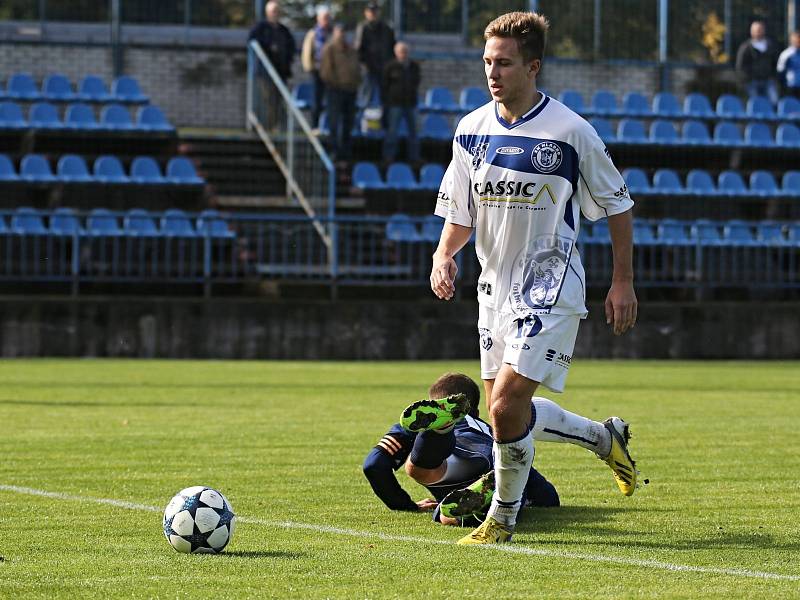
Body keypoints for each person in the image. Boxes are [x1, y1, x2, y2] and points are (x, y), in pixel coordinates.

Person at [429, 11, 638, 545]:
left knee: (503, 405)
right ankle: (601, 436)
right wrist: (444, 255)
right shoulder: (471, 130)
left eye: (503, 63)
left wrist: (621, 282)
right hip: (493, 287)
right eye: (487, 63)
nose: (492, 73)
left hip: (549, 282)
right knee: (505, 413)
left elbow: (617, 206)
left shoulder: (570, 132)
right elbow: (460, 209)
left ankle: (501, 517)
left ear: (533, 66)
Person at [363, 372, 639, 528]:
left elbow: (373, 465)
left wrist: (407, 506)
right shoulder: (487, 424)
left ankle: (441, 430)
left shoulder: (410, 424)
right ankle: (479, 497)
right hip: (494, 457)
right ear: (475, 408)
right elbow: (547, 498)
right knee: (507, 494)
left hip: (446, 466)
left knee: (421, 471)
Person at [319, 24, 361, 161]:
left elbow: (357, 69)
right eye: (339, 32)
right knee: (334, 122)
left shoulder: (352, 51)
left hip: (350, 91)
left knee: (348, 123)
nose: (341, 35)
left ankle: (346, 152)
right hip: (335, 91)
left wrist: (355, 83)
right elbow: (325, 71)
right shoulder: (329, 49)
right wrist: (336, 84)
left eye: (344, 32)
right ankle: (333, 150)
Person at [382, 41, 421, 164]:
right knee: (392, 132)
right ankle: (389, 156)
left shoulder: (414, 66)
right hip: (395, 104)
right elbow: (385, 85)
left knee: (414, 132)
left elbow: (416, 82)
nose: (403, 54)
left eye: (405, 51)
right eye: (401, 52)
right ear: (396, 53)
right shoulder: (390, 67)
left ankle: (414, 157)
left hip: (411, 103)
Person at [355, 2, 396, 109]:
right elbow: (359, 49)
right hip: (368, 69)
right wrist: (363, 65)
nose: (373, 14)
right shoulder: (363, 28)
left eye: (375, 11)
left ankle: (385, 125)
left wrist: (390, 65)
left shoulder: (387, 28)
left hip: (384, 68)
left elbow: (392, 48)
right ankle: (361, 124)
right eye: (370, 11)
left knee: (386, 100)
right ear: (366, 13)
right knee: (365, 98)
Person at [248, 1, 296, 83]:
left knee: (280, 94)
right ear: (268, 12)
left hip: (281, 70)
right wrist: (269, 46)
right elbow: (252, 40)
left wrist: (289, 58)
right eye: (274, 11)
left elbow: (291, 45)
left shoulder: (284, 30)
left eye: (277, 11)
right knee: (267, 95)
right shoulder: (261, 27)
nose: (276, 14)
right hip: (266, 70)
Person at [301, 6, 333, 127]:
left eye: (327, 18)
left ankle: (328, 126)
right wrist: (310, 68)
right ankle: (314, 126)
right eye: (324, 18)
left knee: (331, 101)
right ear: (318, 19)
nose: (326, 20)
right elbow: (307, 53)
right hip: (316, 71)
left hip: (330, 73)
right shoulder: (313, 34)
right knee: (317, 100)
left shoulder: (332, 34)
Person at [735, 20, 780, 105]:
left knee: (773, 102)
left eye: (760, 29)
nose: (758, 32)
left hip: (768, 81)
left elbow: (775, 63)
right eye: (756, 30)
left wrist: (773, 76)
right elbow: (740, 66)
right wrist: (746, 79)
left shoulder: (770, 46)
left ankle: (772, 119)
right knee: (755, 104)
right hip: (752, 82)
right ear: (751, 31)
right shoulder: (746, 47)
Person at [777, 31, 800, 99]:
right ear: (792, 40)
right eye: (797, 38)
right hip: (791, 86)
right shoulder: (786, 54)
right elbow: (780, 70)